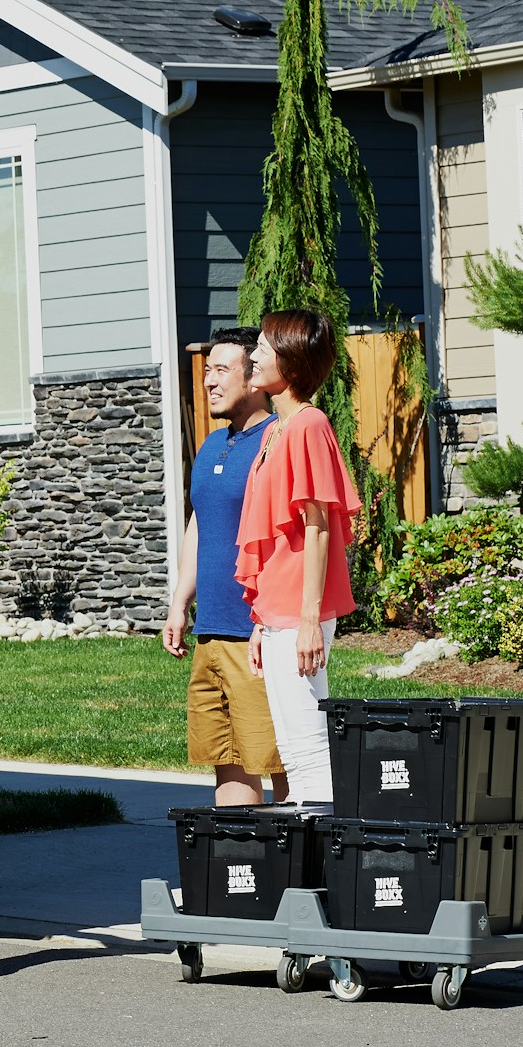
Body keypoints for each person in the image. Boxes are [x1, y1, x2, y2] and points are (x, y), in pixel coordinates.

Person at [236, 308, 362, 805]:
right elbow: (273, 536)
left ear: (289, 363)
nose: (253, 354)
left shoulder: (309, 424)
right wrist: (261, 622)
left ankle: (324, 858)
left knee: (309, 743)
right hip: (279, 611)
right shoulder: (273, 431)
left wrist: (310, 618)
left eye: (264, 347)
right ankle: (301, 855)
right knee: (290, 745)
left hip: (301, 609)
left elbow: (318, 525)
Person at [163, 327, 285, 805]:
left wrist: (266, 619)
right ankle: (243, 869)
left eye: (221, 370)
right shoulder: (214, 444)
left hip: (256, 635)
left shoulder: (276, 441)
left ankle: (295, 869)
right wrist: (180, 601)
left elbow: (289, 538)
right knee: (228, 759)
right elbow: (201, 523)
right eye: (207, 370)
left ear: (254, 377)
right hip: (211, 632)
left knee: (278, 761)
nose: (209, 381)